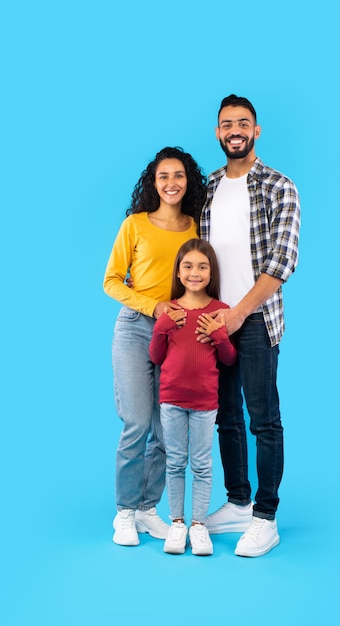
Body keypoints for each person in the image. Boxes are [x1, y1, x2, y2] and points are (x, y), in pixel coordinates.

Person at [198, 94, 300, 557]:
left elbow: (282, 263)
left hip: (255, 319)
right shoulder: (210, 187)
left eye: (243, 123)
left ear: (256, 131)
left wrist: (238, 312)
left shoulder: (279, 187)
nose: (234, 130)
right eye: (226, 124)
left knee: (264, 418)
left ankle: (265, 516)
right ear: (218, 133)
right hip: (215, 318)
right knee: (225, 416)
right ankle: (238, 500)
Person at [103, 147, 207, 546]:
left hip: (179, 336)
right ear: (154, 182)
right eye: (164, 176)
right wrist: (153, 305)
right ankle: (125, 513)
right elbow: (112, 280)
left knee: (167, 432)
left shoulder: (195, 228)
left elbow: (201, 277)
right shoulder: (135, 225)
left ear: (188, 181)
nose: (171, 183)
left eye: (178, 175)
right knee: (137, 423)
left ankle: (148, 509)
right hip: (135, 329)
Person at [149, 239, 237, 556]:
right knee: (175, 463)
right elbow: (156, 356)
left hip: (204, 402)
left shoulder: (220, 311)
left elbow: (228, 359)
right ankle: (177, 523)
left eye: (202, 266)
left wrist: (218, 334)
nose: (195, 273)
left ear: (211, 272)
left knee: (201, 465)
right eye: (188, 266)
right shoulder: (169, 309)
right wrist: (161, 327)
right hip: (171, 398)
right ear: (178, 271)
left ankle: (198, 526)